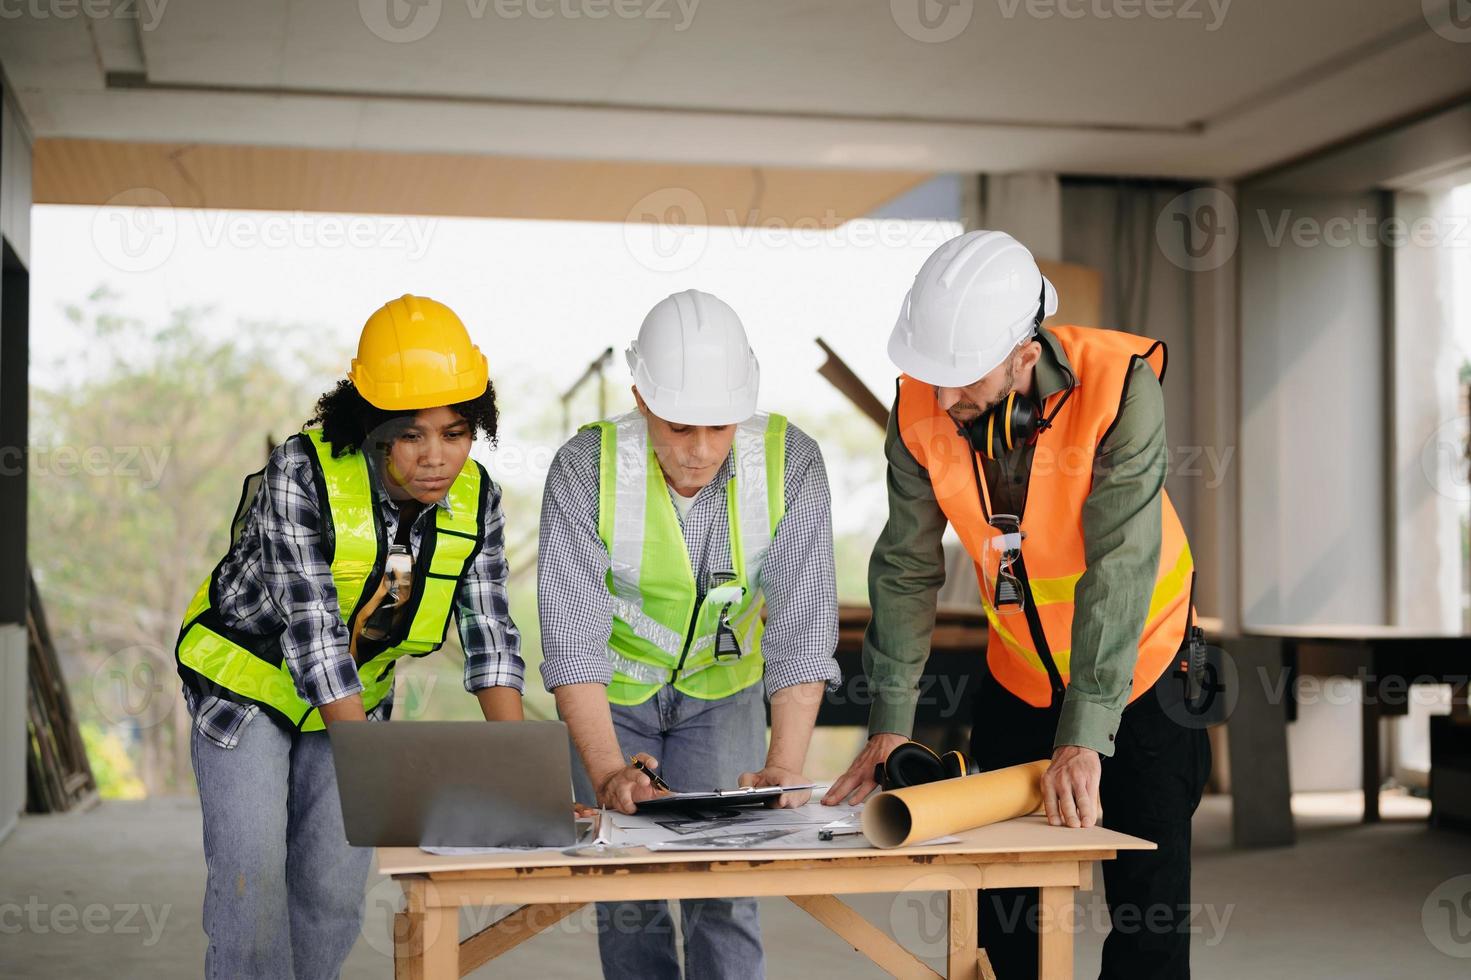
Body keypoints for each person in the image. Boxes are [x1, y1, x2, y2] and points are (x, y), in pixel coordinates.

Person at [824, 231, 1210, 978]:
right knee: (1002, 912)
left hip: (1144, 672)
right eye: (931, 377)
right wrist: (889, 724)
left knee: (1147, 920)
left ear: (1024, 356)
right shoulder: (919, 410)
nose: (945, 400)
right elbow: (905, 565)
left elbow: (1120, 567)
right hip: (1022, 677)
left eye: (963, 380)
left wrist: (1084, 737)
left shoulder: (1117, 386)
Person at [173, 294, 525, 979]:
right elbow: (312, 632)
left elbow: (489, 633)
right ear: (373, 428)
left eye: (454, 433)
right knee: (252, 884)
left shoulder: (476, 498)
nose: (436, 458)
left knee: (333, 892)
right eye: (411, 434)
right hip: (245, 693)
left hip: (356, 701)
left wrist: (518, 776)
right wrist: (374, 768)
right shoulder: (300, 472)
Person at [538, 289, 840, 980]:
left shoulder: (791, 463)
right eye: (678, 426)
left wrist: (785, 765)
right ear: (641, 399)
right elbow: (573, 643)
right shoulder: (583, 470)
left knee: (726, 886)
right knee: (627, 889)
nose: (700, 450)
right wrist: (609, 769)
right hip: (611, 696)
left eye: (719, 426)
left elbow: (800, 628)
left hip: (721, 691)